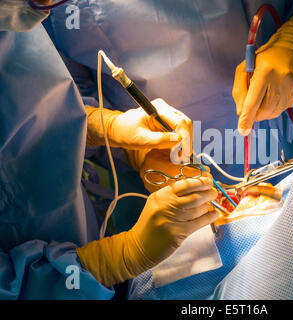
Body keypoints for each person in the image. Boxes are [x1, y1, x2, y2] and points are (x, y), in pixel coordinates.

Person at [0, 0, 218, 299]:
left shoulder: (15, 24)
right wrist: (113, 260)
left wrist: (108, 129)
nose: (48, 5)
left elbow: (26, 116)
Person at [44, 0, 293, 186]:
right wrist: (126, 142)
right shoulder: (46, 12)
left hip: (290, 155)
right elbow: (56, 106)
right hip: (157, 191)